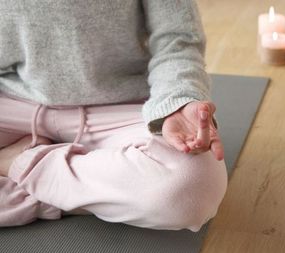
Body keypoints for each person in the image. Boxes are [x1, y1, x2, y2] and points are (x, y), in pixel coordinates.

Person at [0, 0, 227, 232]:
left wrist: (175, 101)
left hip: (125, 105)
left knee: (192, 188)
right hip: (13, 103)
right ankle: (91, 191)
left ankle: (19, 163)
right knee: (162, 192)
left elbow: (177, 39)